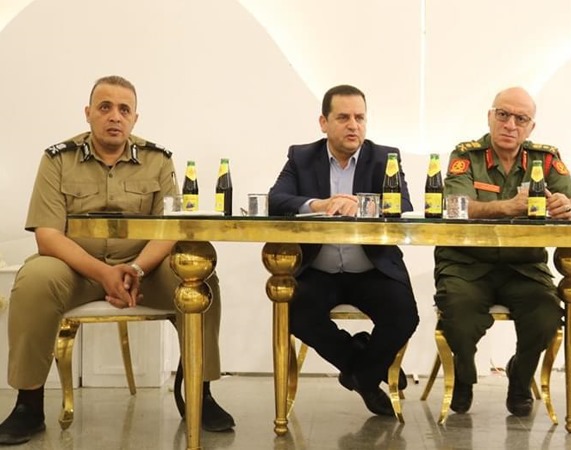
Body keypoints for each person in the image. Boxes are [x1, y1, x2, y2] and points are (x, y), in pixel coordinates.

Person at [0, 76, 234, 445]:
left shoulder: (158, 160)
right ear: (88, 113)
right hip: (75, 268)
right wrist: (104, 273)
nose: (115, 116)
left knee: (198, 277)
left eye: (124, 110)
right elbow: (48, 235)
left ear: (135, 118)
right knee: (34, 281)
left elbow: (169, 229)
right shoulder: (57, 159)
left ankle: (200, 394)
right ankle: (28, 405)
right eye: (105, 107)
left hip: (144, 269)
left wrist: (136, 269)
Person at [268, 84, 419, 416]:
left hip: (371, 268)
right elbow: (276, 200)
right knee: (294, 312)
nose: (354, 126)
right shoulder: (302, 157)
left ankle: (361, 376)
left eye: (360, 118)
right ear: (323, 122)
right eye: (343, 118)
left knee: (404, 316)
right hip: (319, 270)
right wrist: (319, 204)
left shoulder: (385, 157)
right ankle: (361, 360)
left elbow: (403, 204)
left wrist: (363, 205)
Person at [434, 86, 571, 417]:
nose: (510, 125)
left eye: (521, 119)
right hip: (467, 264)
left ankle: (520, 378)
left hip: (523, 265)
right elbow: (455, 205)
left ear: (531, 127)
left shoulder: (546, 159)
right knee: (459, 315)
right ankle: (464, 376)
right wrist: (508, 207)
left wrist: (567, 206)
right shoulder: (466, 156)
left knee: (546, 316)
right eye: (503, 115)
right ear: (490, 117)